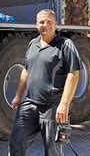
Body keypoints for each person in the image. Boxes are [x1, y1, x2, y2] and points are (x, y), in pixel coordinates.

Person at [9, 9, 82, 156]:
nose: (45, 25)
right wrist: (18, 95)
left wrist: (64, 104)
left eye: (49, 21)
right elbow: (26, 70)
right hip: (29, 104)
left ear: (56, 24)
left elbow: (74, 74)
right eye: (42, 22)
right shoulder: (32, 44)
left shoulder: (65, 44)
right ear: (36, 25)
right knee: (16, 141)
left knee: (53, 150)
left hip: (52, 107)